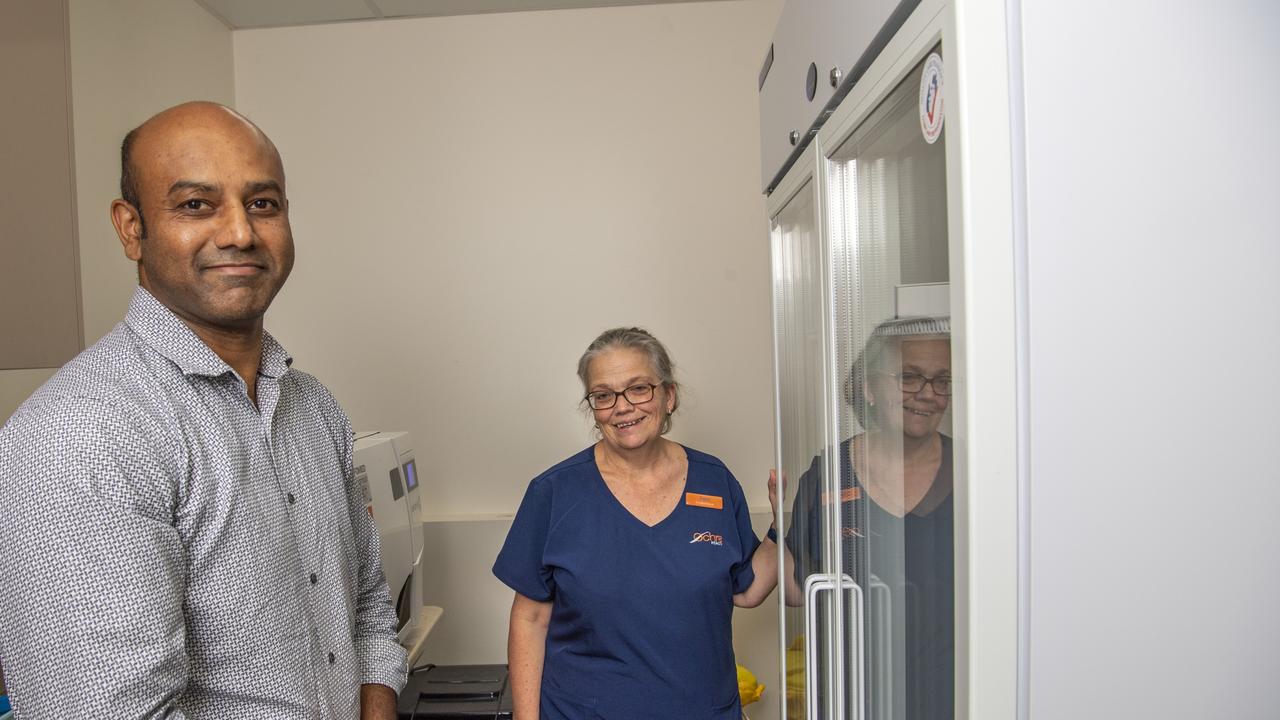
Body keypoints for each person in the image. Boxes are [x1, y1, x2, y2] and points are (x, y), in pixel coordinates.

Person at [0, 102, 406, 718]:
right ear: (131, 227)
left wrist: (374, 701)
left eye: (262, 204)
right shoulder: (82, 433)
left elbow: (369, 603)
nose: (240, 233)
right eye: (196, 204)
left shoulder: (313, 408)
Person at [493, 327, 778, 719]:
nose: (623, 406)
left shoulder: (715, 480)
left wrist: (784, 526)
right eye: (604, 395)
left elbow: (745, 590)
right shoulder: (554, 492)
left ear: (669, 395)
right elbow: (530, 617)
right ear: (593, 407)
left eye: (639, 388)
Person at [780, 316, 953, 720]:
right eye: (910, 377)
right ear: (869, 388)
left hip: (951, 697)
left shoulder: (972, 472)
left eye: (941, 380)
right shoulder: (829, 474)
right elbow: (796, 588)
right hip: (852, 697)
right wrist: (775, 520)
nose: (928, 394)